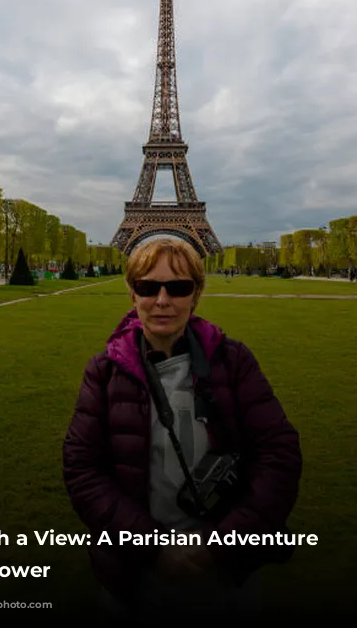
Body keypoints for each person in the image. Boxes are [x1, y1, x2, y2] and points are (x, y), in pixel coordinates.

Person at [63, 237, 302, 623]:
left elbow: (279, 455)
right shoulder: (103, 372)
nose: (162, 300)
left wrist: (221, 546)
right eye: (147, 286)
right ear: (131, 292)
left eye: (178, 287)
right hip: (138, 569)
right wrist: (153, 549)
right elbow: (82, 470)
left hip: (224, 567)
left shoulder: (235, 361)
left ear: (196, 294)